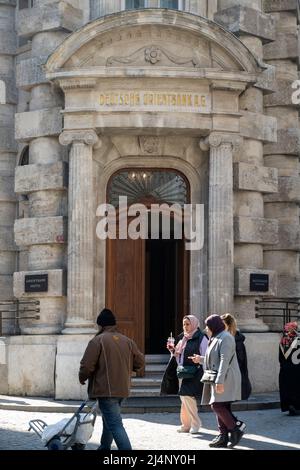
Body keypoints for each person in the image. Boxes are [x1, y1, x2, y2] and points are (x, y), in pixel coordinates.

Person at [79, 308, 145, 450]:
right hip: (123, 389)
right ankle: (104, 447)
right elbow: (140, 361)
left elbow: (86, 365)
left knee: (115, 424)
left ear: (101, 325)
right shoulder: (127, 341)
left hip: (106, 390)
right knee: (109, 420)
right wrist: (129, 369)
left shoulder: (98, 340)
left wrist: (82, 377)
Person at [191, 314, 243, 448]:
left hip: (225, 377)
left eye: (207, 325)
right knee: (222, 405)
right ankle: (223, 436)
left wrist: (220, 381)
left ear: (214, 325)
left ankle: (235, 429)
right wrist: (201, 359)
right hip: (219, 376)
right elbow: (214, 357)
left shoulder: (226, 338)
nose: (205, 329)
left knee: (216, 405)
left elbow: (224, 361)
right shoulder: (216, 337)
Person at [160, 315, 208, 434]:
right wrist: (172, 351)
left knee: (186, 396)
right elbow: (178, 355)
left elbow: (208, 356)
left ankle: (195, 423)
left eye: (187, 324)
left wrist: (199, 360)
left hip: (196, 371)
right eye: (183, 324)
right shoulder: (183, 338)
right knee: (184, 397)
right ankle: (186, 424)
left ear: (194, 324)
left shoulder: (201, 338)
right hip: (182, 372)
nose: (185, 327)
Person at [221, 313, 252, 431]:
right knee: (223, 405)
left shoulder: (235, 340)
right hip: (227, 375)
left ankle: (235, 425)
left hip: (231, 376)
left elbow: (240, 360)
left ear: (228, 325)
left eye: (221, 324)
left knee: (220, 405)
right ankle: (230, 428)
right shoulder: (225, 338)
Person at [279, 321, 300, 416]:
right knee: (296, 388)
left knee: (286, 388)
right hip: (297, 369)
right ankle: (296, 407)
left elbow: (280, 357)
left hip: (285, 369)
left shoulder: (283, 340)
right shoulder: (298, 340)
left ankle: (289, 406)